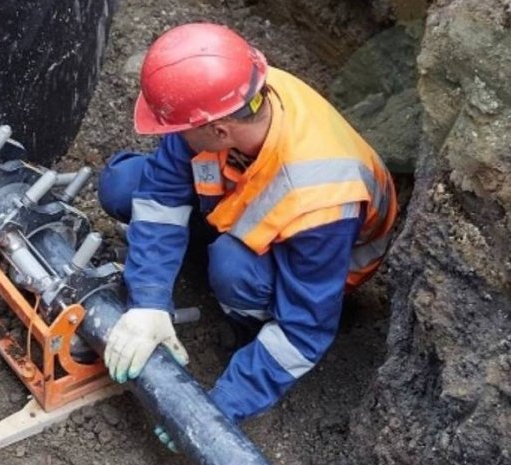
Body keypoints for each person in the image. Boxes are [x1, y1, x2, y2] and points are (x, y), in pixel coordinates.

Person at [98, 22, 397, 450]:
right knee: (124, 184)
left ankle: (247, 326)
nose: (171, 135)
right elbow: (159, 196)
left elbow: (303, 333)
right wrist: (148, 300)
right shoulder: (228, 91)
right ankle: (206, 267)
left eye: (177, 127)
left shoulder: (323, 196)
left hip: (320, 258)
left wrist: (217, 410)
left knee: (233, 268)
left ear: (218, 132)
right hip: (246, 201)